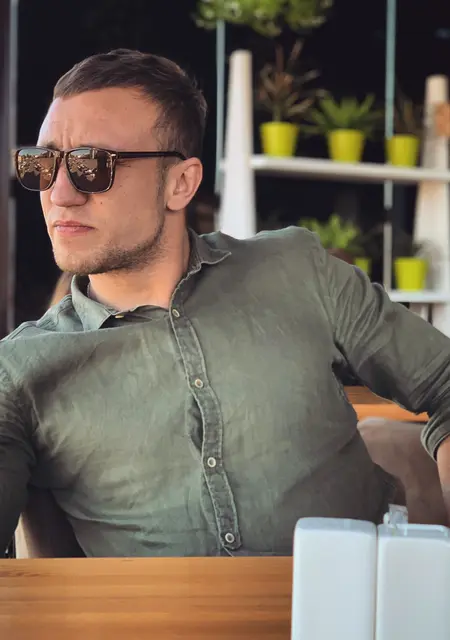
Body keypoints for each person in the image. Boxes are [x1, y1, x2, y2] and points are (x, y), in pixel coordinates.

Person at [2, 48, 450, 558]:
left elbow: (444, 381)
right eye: (41, 164)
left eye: (90, 165)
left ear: (180, 184)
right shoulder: (20, 371)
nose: (59, 194)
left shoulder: (298, 270)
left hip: (363, 596)